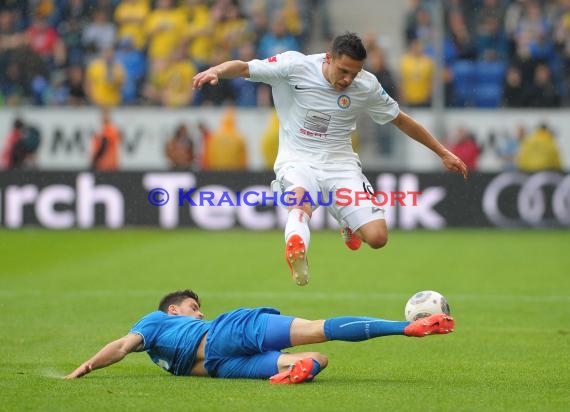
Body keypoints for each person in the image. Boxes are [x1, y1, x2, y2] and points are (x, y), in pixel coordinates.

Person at [192, 32, 468, 286]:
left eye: (354, 73)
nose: (348, 79)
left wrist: (442, 152)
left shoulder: (367, 85)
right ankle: (296, 244)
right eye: (343, 71)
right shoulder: (294, 66)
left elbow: (401, 120)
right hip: (297, 159)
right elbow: (243, 67)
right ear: (329, 57)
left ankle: (347, 223)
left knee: (377, 238)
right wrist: (216, 70)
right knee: (300, 201)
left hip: (340, 164)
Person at [64, 289, 455, 384]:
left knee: (318, 358)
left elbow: (126, 348)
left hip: (224, 365)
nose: (197, 311)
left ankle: (294, 368)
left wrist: (85, 368)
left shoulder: (164, 357)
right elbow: (120, 345)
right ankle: (404, 326)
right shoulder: (153, 320)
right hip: (229, 336)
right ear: (172, 309)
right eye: (192, 306)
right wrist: (89, 364)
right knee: (319, 333)